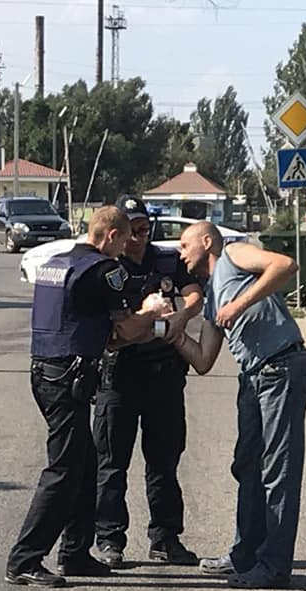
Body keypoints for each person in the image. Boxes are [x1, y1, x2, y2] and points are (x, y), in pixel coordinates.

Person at [5, 206, 162, 588]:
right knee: (62, 470)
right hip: (67, 377)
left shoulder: (57, 263)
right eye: (124, 239)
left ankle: (75, 552)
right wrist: (153, 315)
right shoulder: (103, 270)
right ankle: (24, 558)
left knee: (86, 463)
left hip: (46, 371)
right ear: (110, 235)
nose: (127, 247)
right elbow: (122, 330)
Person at [171, 221, 306, 589]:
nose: (179, 250)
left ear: (207, 242)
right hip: (253, 377)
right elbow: (203, 360)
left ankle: (274, 566)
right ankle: (244, 556)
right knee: (247, 466)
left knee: (277, 470)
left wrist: (239, 303)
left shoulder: (234, 255)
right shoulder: (210, 294)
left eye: (185, 243)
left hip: (281, 366)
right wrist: (170, 331)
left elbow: (284, 265)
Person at [92, 196, 204, 569]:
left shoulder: (167, 259)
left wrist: (181, 315)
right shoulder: (107, 265)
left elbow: (194, 292)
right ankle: (109, 540)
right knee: (111, 464)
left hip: (164, 377)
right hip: (120, 376)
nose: (137, 238)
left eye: (143, 229)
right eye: (131, 230)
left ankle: (166, 539)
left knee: (164, 463)